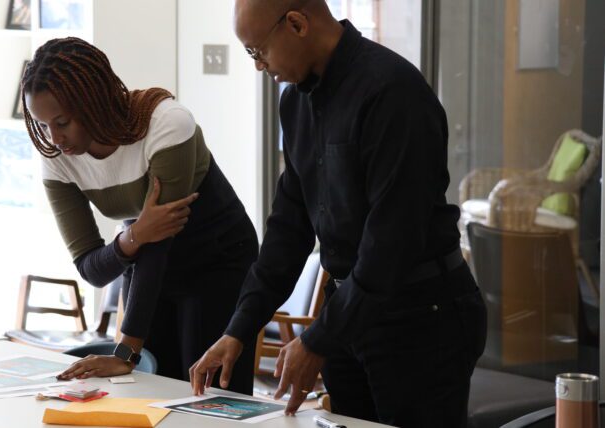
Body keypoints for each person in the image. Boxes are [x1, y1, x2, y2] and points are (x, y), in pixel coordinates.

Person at [190, 0, 487, 426]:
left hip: (423, 316)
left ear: (296, 23)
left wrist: (318, 338)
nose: (259, 66)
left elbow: (392, 242)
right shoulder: (294, 103)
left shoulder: (392, 91)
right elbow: (287, 230)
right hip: (351, 312)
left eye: (258, 51)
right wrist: (238, 329)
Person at [20, 37, 258, 394]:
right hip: (147, 261)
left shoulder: (165, 123)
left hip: (217, 259)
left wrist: (126, 349)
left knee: (207, 397)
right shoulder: (57, 159)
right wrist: (134, 236)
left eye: (62, 122)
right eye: (42, 126)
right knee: (148, 391)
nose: (54, 138)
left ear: (92, 101)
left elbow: (160, 242)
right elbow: (91, 267)